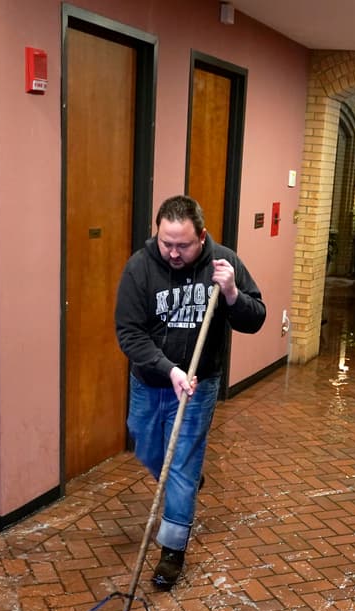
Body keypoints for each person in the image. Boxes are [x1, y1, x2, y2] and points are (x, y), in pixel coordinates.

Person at [114, 195, 266, 590]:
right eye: (166, 243)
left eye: (183, 245)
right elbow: (129, 334)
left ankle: (171, 551)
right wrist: (169, 369)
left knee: (180, 463)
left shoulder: (223, 264)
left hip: (200, 382)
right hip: (152, 381)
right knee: (147, 447)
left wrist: (232, 293)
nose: (173, 252)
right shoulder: (140, 269)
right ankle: (188, 482)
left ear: (201, 236)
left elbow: (256, 319)